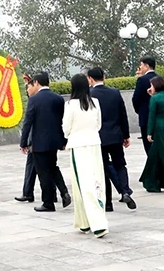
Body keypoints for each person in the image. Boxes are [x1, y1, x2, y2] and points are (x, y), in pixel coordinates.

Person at [62, 73, 109, 237]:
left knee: (82, 183)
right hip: (94, 144)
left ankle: (97, 224)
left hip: (78, 145)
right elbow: (98, 124)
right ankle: (84, 222)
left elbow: (66, 128)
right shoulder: (94, 102)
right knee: (96, 180)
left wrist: (71, 135)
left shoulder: (70, 105)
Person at [15, 74, 71, 207]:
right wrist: (63, 140)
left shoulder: (34, 100)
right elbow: (61, 121)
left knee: (43, 172)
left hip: (39, 143)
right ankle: (64, 192)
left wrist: (23, 143)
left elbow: (28, 123)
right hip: (54, 141)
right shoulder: (58, 99)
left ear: (37, 83)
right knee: (53, 167)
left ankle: (48, 203)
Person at [87, 67, 135, 211]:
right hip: (115, 136)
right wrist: (126, 135)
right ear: (104, 76)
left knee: (103, 169)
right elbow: (122, 115)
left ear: (90, 79)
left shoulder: (89, 94)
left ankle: (107, 203)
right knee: (120, 165)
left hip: (98, 138)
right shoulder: (115, 93)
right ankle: (125, 191)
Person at [132, 57, 158, 154]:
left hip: (146, 118)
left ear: (146, 66)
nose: (140, 67)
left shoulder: (142, 80)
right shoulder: (160, 79)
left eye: (141, 65)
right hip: (159, 118)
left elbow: (136, 98)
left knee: (149, 149)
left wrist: (139, 111)